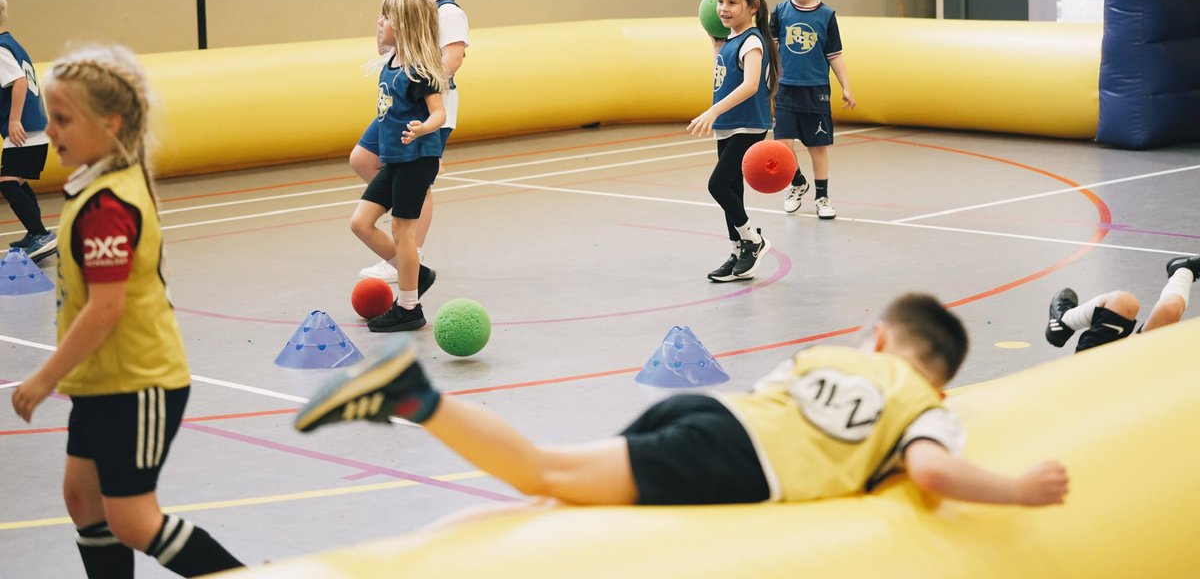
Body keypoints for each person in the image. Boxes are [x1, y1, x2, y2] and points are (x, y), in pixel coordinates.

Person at [294, 292, 1068, 508]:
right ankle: (414, 396)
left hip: (718, 415)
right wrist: (1020, 491)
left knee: (568, 488)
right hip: (736, 459)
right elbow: (930, 474)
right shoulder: (926, 406)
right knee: (545, 474)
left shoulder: (830, 355)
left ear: (877, 341)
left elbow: (784, 402)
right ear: (938, 377)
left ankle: (415, 398)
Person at [10, 46, 243, 577]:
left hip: (137, 383)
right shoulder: (96, 183)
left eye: (64, 118)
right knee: (82, 501)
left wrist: (45, 377)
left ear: (110, 123)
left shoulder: (108, 205)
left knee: (133, 520)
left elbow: (106, 308)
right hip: (102, 382)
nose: (53, 129)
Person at [354, 0, 469, 290]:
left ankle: (410, 250)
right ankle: (402, 242)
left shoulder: (448, 13)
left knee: (418, 179)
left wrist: (418, 79)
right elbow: (390, 53)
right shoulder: (406, 9)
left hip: (423, 105)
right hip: (397, 105)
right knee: (362, 158)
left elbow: (452, 59)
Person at [349, 0, 449, 333]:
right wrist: (384, 38)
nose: (379, 22)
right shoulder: (390, 62)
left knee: (402, 229)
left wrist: (424, 128)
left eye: (386, 17)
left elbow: (438, 113)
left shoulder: (420, 71)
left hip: (417, 158)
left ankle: (409, 307)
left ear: (404, 25)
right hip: (395, 160)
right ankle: (416, 275)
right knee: (361, 223)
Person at [688, 0, 780, 283]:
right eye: (721, 2)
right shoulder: (730, 40)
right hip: (728, 126)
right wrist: (716, 47)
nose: (724, 8)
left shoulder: (752, 41)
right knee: (733, 190)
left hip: (748, 126)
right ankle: (737, 249)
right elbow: (723, 76)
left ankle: (753, 241)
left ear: (753, 7)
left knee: (717, 185)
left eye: (732, 2)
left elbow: (751, 85)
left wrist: (712, 111)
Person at [768, 0, 856, 220]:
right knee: (782, 144)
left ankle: (821, 196)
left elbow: (835, 55)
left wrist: (846, 86)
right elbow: (770, 50)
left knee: (817, 147)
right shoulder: (780, 12)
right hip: (785, 89)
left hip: (815, 90)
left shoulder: (826, 16)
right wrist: (766, 82)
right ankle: (796, 182)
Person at [0, 0, 56, 261]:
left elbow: (19, 82)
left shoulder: (0, 47)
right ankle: (36, 232)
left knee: (8, 182)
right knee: (17, 181)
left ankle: (40, 234)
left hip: (26, 129)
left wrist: (13, 120)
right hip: (35, 128)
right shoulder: (12, 43)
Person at [1046, 254, 1200, 351]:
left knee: (1122, 302)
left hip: (1090, 371)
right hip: (1132, 369)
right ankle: (1183, 270)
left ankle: (1065, 320)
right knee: (1168, 310)